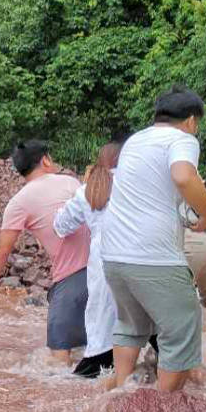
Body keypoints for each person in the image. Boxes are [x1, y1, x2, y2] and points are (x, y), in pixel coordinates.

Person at [101, 85, 206, 392]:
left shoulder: (135, 140)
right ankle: (162, 409)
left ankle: (120, 396)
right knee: (182, 327)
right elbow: (183, 176)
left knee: (130, 326)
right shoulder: (182, 138)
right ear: (192, 121)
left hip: (113, 255)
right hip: (153, 256)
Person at [0, 140, 88, 365]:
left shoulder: (18, 202)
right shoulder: (71, 182)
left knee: (59, 359)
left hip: (71, 281)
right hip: (104, 270)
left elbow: (2, 251)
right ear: (46, 160)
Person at [52, 140, 123, 378]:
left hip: (103, 261)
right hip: (140, 256)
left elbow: (61, 226)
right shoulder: (137, 183)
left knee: (102, 324)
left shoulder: (88, 190)